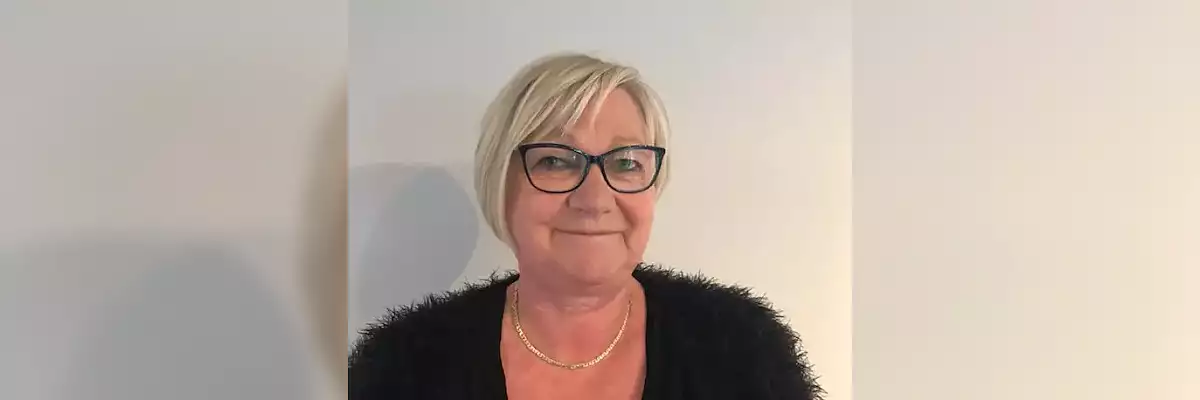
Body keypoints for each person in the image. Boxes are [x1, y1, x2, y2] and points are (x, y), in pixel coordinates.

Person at [348, 52, 824, 400]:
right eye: (556, 161)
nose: (594, 199)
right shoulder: (403, 368)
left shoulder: (743, 351)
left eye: (626, 162)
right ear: (499, 181)